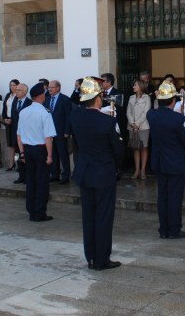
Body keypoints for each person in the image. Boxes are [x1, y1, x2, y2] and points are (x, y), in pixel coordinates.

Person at [68, 77, 124, 270]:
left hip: (85, 172)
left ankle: (91, 256)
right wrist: (118, 168)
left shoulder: (76, 118)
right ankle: (102, 258)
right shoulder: (108, 121)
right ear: (99, 97)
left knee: (88, 217)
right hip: (104, 174)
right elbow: (118, 150)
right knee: (104, 217)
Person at [147, 81, 185, 239]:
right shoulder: (178, 119)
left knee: (162, 197)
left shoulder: (151, 115)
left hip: (159, 162)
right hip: (175, 162)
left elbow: (155, 111)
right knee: (174, 197)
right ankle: (174, 229)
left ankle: (163, 228)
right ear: (173, 100)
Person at [17, 83, 56, 222]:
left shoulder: (23, 112)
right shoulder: (44, 113)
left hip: (27, 149)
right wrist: (50, 156)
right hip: (40, 149)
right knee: (42, 182)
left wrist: (22, 153)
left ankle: (31, 210)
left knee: (31, 181)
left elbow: (19, 135)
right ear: (41, 96)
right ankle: (39, 212)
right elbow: (48, 137)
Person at [45, 80, 73, 184]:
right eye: (48, 87)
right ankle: (55, 174)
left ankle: (66, 175)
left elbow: (68, 116)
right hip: (50, 132)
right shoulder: (47, 100)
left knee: (63, 155)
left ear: (58, 88)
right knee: (53, 154)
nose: (50, 89)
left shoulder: (65, 99)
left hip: (61, 132)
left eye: (52, 87)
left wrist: (67, 131)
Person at [126, 79, 151, 180]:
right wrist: (132, 123)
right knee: (135, 148)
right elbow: (128, 112)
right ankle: (137, 170)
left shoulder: (147, 98)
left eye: (135, 85)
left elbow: (146, 112)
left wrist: (137, 124)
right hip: (132, 127)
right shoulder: (131, 97)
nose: (133, 87)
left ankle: (143, 170)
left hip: (143, 126)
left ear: (140, 86)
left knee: (144, 147)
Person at [10, 83, 30, 184]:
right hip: (15, 133)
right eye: (16, 90)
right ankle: (21, 175)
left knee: (25, 156)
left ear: (25, 92)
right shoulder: (15, 101)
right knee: (17, 155)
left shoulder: (29, 103)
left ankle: (27, 176)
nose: (16, 92)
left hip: (25, 134)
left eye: (19, 90)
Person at [1, 79, 20, 170]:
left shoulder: (19, 96)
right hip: (8, 121)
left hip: (15, 122)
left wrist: (12, 119)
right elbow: (4, 108)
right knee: (10, 144)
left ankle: (18, 162)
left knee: (16, 145)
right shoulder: (8, 96)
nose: (12, 87)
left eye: (14, 85)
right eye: (11, 85)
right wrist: (5, 119)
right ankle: (11, 163)